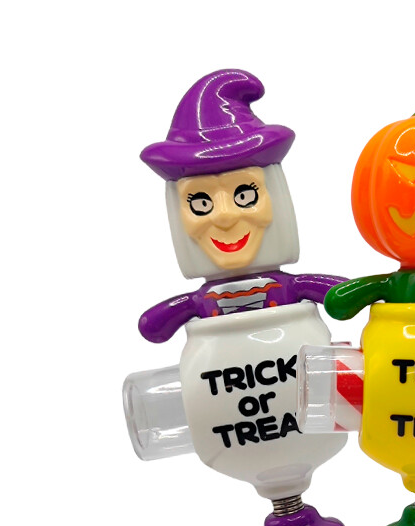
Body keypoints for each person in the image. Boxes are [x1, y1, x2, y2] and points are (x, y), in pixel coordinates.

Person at [138, 69, 343, 344]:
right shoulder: (202, 300)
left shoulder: (290, 287)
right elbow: (153, 327)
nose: (225, 216)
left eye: (244, 196)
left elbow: (342, 296)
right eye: (201, 204)